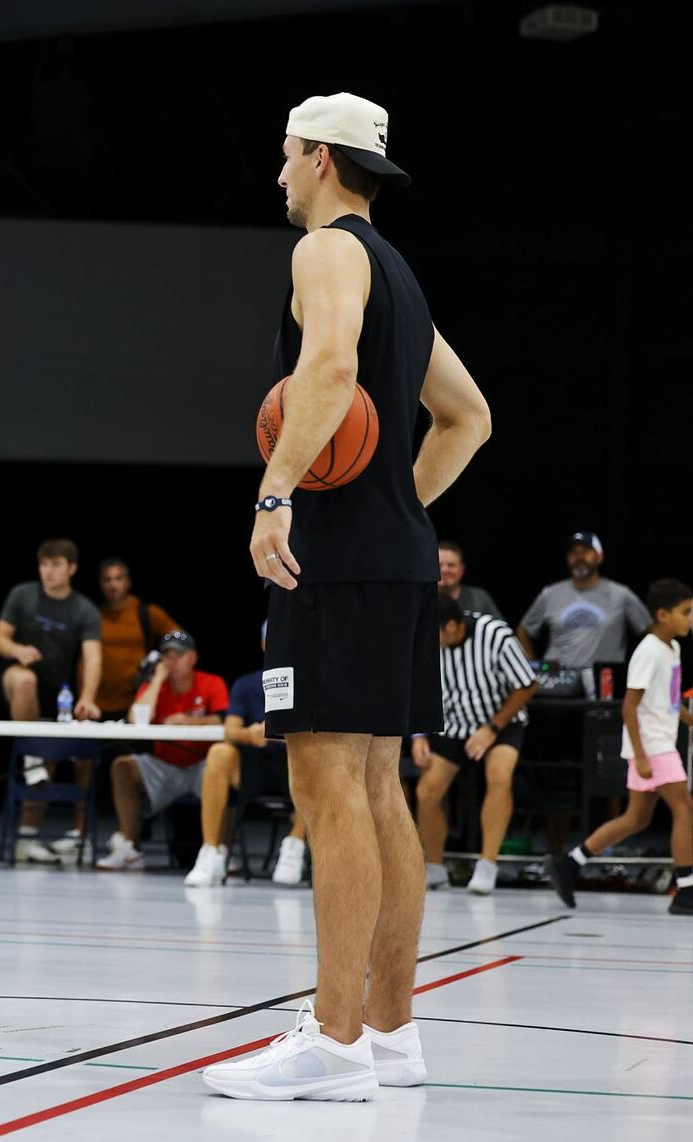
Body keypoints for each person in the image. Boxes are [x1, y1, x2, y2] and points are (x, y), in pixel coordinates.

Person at [207, 93, 492, 1102]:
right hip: (397, 559)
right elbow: (467, 418)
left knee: (330, 796)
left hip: (336, 562)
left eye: (284, 157)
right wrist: (390, 507)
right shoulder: (401, 274)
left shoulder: (327, 252)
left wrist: (276, 494)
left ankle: (332, 1043)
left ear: (322, 160)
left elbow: (326, 366)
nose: (277, 175)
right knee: (379, 795)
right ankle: (389, 1031)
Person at [550, 579, 693, 916]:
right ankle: (686, 889)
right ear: (662, 614)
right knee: (684, 808)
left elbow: (670, 702)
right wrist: (641, 755)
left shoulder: (672, 649)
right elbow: (629, 706)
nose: (690, 619)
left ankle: (569, 863)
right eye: (685, 612)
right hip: (653, 745)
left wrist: (689, 719)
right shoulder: (649, 650)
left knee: (636, 819)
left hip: (661, 740)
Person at [412, 594, 539, 895]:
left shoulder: (495, 635)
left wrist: (492, 728)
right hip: (454, 724)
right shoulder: (429, 640)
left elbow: (527, 684)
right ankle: (435, 866)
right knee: (427, 791)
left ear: (453, 627)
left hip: (500, 721)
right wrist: (418, 736)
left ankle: (487, 863)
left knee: (499, 775)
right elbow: (416, 688)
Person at [0, 538, 102, 862]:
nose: (48, 572)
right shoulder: (22, 595)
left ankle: (27, 839)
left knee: (54, 759)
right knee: (26, 680)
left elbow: (92, 657)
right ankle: (31, 758)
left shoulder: (84, 609)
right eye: (43, 564)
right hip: (16, 680)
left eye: (55, 565)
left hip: (59, 693)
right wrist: (18, 651)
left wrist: (87, 697)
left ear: (71, 569)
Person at [184, 625, 308, 888]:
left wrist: (284, 734)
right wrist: (251, 734)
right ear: (264, 644)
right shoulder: (247, 684)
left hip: (296, 766)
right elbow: (230, 730)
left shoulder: (312, 682)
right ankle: (211, 851)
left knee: (316, 760)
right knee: (219, 752)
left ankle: (295, 844)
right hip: (255, 765)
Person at [97, 632, 228, 870]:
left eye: (177, 655)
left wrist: (188, 721)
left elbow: (224, 720)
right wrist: (156, 680)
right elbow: (136, 719)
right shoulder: (155, 685)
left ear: (192, 657)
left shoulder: (211, 682)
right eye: (167, 655)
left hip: (202, 764)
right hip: (164, 765)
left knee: (226, 766)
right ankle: (130, 847)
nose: (171, 660)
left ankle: (220, 851)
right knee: (123, 766)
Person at [517, 532, 650, 669]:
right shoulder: (549, 594)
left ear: (599, 556)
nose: (579, 557)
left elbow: (650, 631)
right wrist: (530, 667)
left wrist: (640, 670)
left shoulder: (621, 595)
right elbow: (524, 630)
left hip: (603, 683)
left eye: (586, 551)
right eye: (573, 553)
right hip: (558, 683)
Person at [94, 558, 181, 719]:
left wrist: (163, 660)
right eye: (107, 580)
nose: (113, 585)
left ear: (128, 582)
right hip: (99, 704)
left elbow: (179, 637)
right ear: (100, 584)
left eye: (118, 578)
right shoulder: (93, 615)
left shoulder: (145, 612)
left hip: (137, 700)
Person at [437, 541, 502, 620]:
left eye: (451, 565)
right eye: (439, 564)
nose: (444, 570)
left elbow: (501, 627)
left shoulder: (479, 598)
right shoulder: (422, 599)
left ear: (461, 570)